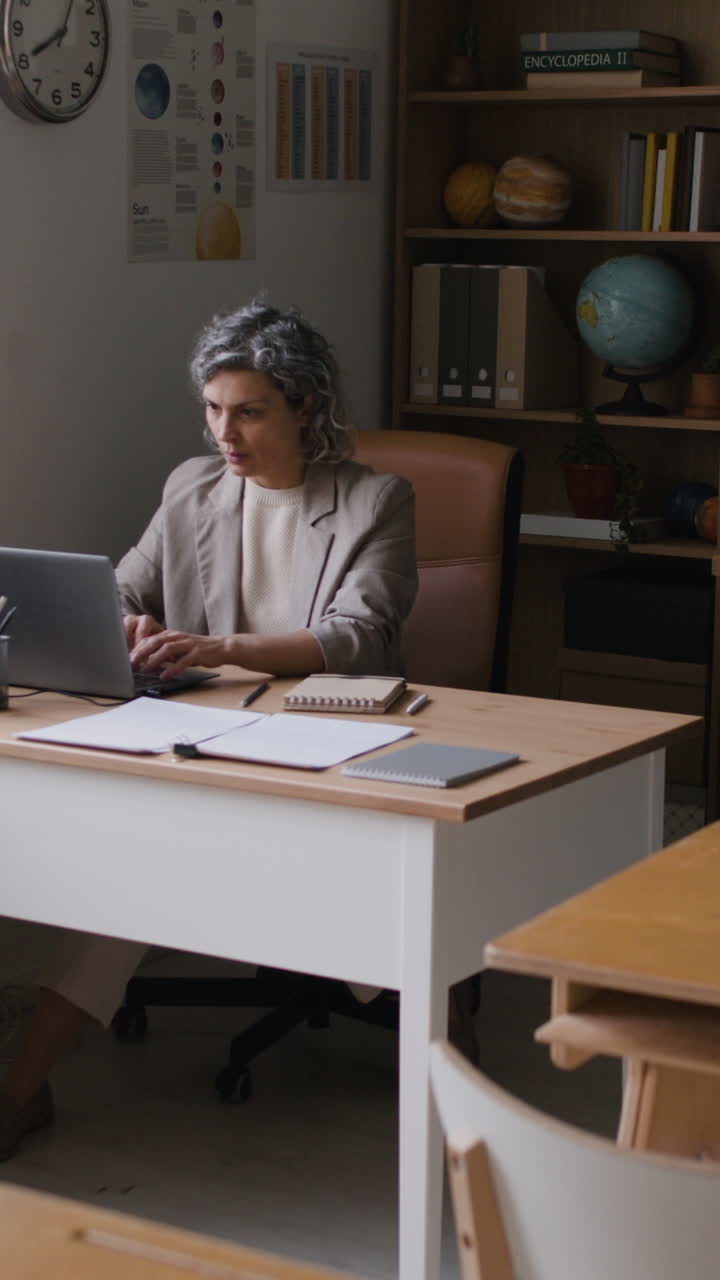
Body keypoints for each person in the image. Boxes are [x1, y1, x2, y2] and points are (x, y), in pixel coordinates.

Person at [0, 299, 418, 1160]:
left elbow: (357, 636)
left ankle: (427, 1011)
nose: (224, 432)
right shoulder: (191, 489)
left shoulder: (374, 498)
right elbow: (122, 588)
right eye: (212, 408)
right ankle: (18, 1092)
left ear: (306, 407)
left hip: (322, 743)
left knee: (370, 898)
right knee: (128, 869)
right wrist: (127, 630)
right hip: (201, 736)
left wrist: (222, 646)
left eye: (250, 410)